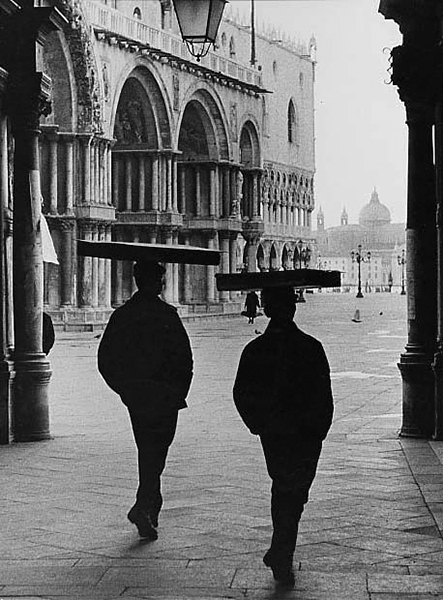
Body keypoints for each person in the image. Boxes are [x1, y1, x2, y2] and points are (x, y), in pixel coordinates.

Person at [233, 286, 333, 586]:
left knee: (284, 486)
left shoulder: (255, 350)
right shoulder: (311, 346)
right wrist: (319, 429)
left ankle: (280, 548)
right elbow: (324, 395)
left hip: (275, 432)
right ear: (293, 307)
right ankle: (282, 551)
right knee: (295, 491)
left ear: (264, 308)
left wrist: (259, 424)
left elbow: (241, 393)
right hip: (306, 433)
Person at [97, 261, 193, 540]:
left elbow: (106, 359)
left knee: (148, 449)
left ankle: (150, 504)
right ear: (156, 282)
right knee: (156, 450)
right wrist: (178, 391)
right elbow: (184, 357)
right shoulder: (167, 314)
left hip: (139, 396)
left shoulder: (123, 315)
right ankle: (144, 505)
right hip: (164, 395)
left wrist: (126, 390)